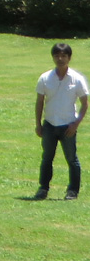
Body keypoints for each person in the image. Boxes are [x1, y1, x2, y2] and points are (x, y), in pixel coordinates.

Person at [33, 42, 87, 200]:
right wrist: (38, 124)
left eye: (64, 56)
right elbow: (39, 102)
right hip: (49, 125)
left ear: (69, 58)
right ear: (53, 57)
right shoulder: (45, 78)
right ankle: (43, 189)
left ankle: (73, 191)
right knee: (47, 158)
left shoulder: (77, 79)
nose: (60, 59)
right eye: (57, 56)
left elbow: (85, 104)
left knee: (72, 159)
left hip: (68, 126)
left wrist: (75, 124)